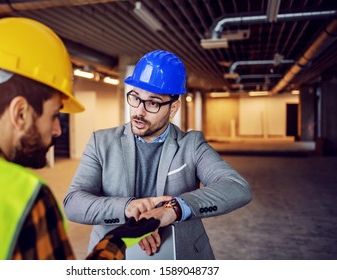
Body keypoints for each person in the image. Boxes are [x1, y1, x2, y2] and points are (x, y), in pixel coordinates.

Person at [0, 17, 158, 260]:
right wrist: (118, 240)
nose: (58, 129)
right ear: (21, 113)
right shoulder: (22, 198)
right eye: (55, 114)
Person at [63, 50, 252, 260]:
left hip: (181, 256)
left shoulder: (191, 145)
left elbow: (237, 187)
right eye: (135, 97)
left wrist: (174, 208)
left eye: (152, 103)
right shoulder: (101, 142)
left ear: (173, 108)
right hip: (114, 254)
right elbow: (73, 203)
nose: (138, 112)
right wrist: (129, 208)